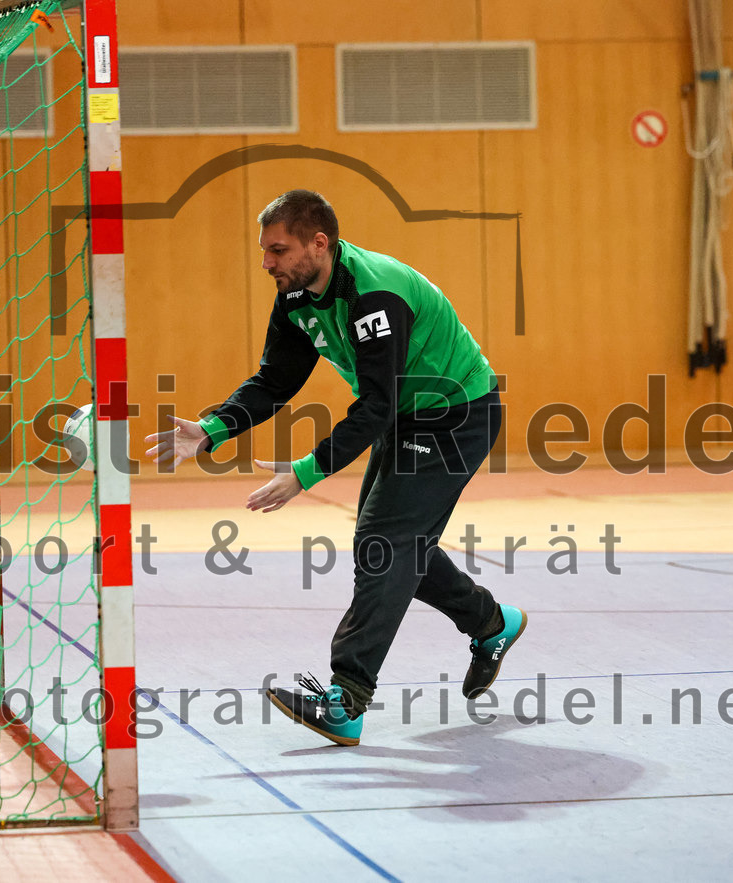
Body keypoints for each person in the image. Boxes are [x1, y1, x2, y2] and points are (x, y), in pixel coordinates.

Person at [145, 189, 526, 746]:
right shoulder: (297, 295)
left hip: (455, 414)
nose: (266, 263)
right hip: (409, 415)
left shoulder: (375, 297)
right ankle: (490, 621)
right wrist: (212, 429)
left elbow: (375, 407)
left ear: (318, 244)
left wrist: (302, 473)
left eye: (277, 250)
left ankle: (346, 700)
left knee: (386, 545)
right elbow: (276, 380)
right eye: (264, 250)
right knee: (394, 545)